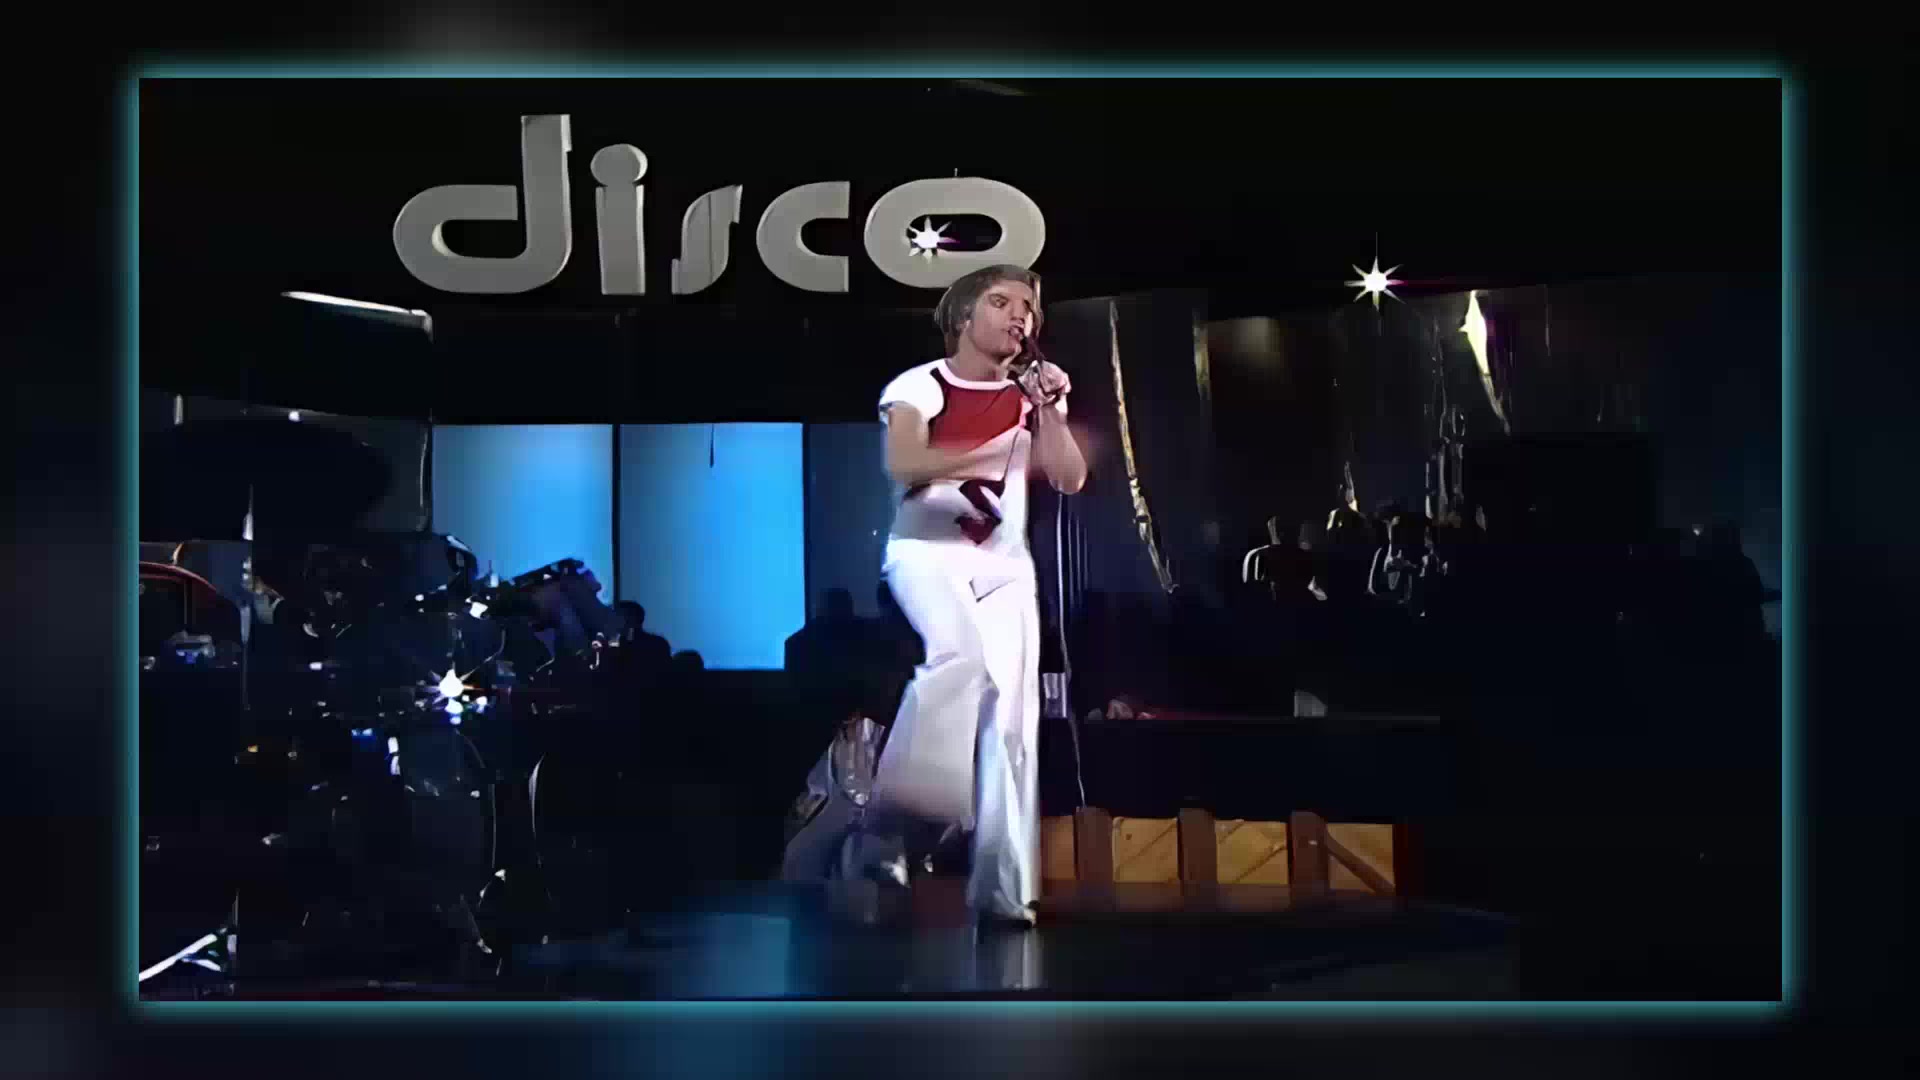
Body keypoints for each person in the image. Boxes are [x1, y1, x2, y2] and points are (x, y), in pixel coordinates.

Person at [858, 263, 1086, 927]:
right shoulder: (919, 385)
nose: (1020, 316)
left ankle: (1005, 891)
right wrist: (991, 446)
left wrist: (1047, 410)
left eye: (1028, 307)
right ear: (963, 315)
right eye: (1001, 302)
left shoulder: (1031, 392)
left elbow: (1069, 477)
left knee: (1012, 724)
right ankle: (895, 831)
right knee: (959, 660)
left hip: (1005, 567)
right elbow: (905, 463)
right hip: (927, 552)